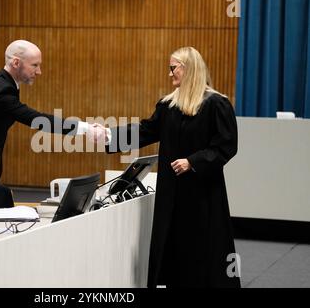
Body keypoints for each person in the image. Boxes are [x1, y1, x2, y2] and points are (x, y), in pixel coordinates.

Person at [92, 46, 240, 288]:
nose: (170, 74)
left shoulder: (216, 104)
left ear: (189, 69)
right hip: (171, 192)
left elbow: (226, 146)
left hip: (203, 194)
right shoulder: (168, 105)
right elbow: (146, 131)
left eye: (173, 68)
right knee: (172, 248)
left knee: (203, 250)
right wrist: (109, 135)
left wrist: (193, 161)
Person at [0, 40, 91, 199]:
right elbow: (37, 119)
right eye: (35, 65)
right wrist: (85, 129)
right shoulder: (1, 91)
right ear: (16, 62)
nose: (39, 71)